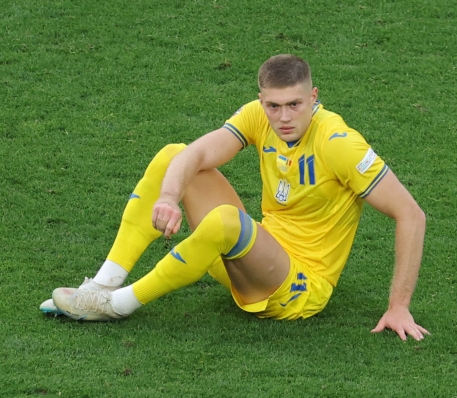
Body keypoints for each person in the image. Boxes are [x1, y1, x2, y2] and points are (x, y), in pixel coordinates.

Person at [40, 54, 429, 341]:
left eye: (295, 104)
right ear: (262, 101)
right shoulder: (258, 116)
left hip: (298, 288)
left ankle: (117, 306)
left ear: (313, 97)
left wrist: (398, 306)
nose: (284, 117)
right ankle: (103, 285)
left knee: (227, 221)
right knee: (174, 156)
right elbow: (196, 153)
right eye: (273, 106)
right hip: (249, 260)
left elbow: (411, 214)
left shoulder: (338, 143)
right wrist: (169, 197)